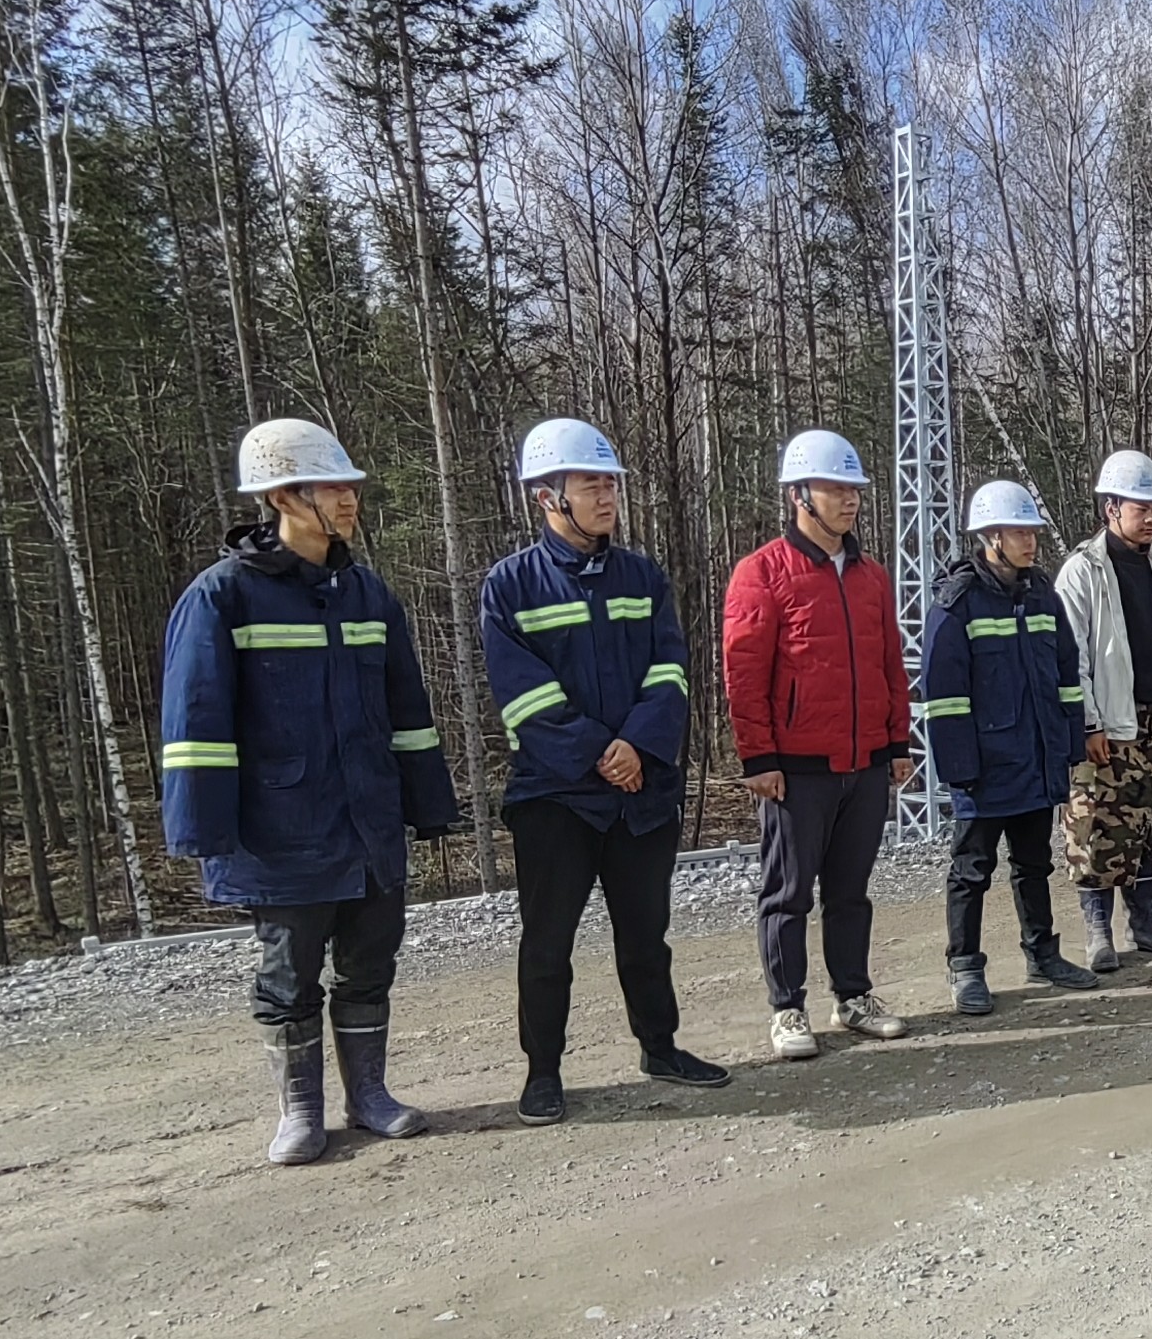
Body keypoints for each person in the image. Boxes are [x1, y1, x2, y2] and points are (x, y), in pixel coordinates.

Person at [159, 419, 458, 1165]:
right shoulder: (221, 597)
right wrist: (203, 831)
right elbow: (195, 724)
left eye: (349, 485)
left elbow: (408, 712)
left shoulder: (367, 595)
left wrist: (427, 804)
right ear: (283, 496)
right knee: (288, 976)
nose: (349, 498)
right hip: (280, 832)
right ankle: (300, 1111)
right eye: (331, 486)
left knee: (370, 964)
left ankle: (370, 1095)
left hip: (368, 824)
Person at [480, 419, 727, 1127]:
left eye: (610, 484)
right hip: (556, 796)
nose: (606, 496)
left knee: (646, 935)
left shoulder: (642, 577)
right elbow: (524, 695)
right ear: (547, 497)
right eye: (590, 485)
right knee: (547, 945)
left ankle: (660, 1047)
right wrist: (599, 750)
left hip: (639, 791)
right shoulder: (510, 585)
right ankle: (543, 1072)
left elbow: (670, 670)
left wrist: (638, 747)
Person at [722, 429, 915, 1061]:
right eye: (835, 489)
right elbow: (744, 673)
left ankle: (853, 996)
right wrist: (758, 758)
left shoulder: (871, 577)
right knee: (787, 893)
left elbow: (890, 665)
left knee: (850, 889)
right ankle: (787, 1008)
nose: (849, 500)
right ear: (799, 495)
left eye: (854, 489)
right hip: (797, 769)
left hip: (865, 763)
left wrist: (897, 742)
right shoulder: (761, 573)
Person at [919, 480, 1104, 1013]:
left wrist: (1067, 746)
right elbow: (944, 695)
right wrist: (960, 769)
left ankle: (1043, 955)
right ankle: (965, 968)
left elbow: (1066, 677)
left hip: (1036, 759)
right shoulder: (957, 603)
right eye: (1020, 532)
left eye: (1032, 532)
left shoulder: (1041, 593)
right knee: (971, 870)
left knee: (1034, 864)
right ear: (991, 537)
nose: (1031, 541)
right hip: (983, 767)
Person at [1053, 449, 1152, 969]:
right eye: (1143, 509)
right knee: (1097, 828)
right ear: (1111, 508)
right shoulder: (1082, 572)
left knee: (1150, 825)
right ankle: (1098, 933)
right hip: (1109, 725)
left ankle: (1146, 924)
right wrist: (1089, 723)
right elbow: (1072, 656)